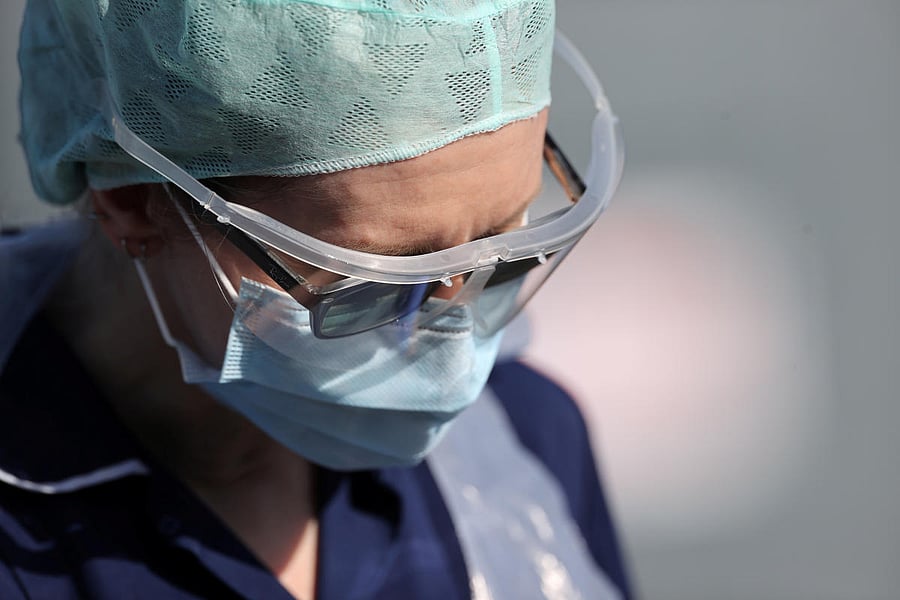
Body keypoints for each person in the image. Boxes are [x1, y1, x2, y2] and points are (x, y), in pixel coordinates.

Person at [0, 0, 631, 598]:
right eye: (374, 284)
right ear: (134, 203)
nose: (449, 346)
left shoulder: (526, 442)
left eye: (501, 253)